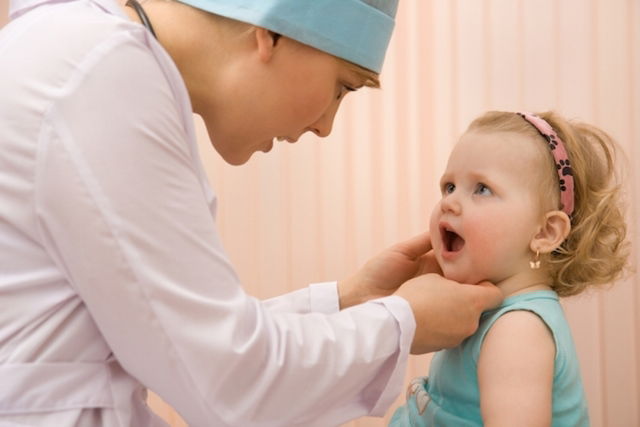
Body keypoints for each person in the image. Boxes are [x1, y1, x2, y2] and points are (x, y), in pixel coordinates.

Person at [0, 0, 503, 426]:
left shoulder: (82, 54)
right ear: (274, 31)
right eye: (342, 87)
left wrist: (350, 301)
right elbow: (225, 380)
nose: (326, 126)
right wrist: (402, 323)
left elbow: (185, 339)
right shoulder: (101, 77)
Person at [389, 110, 629, 426]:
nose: (449, 202)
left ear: (545, 233)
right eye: (449, 187)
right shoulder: (480, 311)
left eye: (481, 189)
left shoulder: (517, 330)